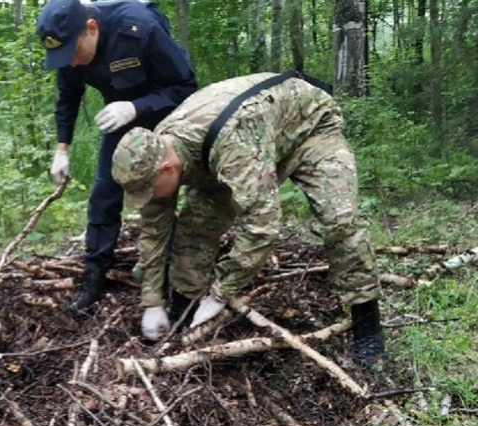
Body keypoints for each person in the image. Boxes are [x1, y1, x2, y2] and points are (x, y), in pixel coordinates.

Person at [111, 71, 385, 369]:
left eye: (147, 190)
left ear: (166, 169)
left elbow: (262, 227)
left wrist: (219, 294)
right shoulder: (159, 147)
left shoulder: (232, 142)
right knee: (194, 228)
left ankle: (366, 320)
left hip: (309, 128)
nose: (148, 197)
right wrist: (151, 300)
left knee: (339, 220)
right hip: (241, 145)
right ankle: (182, 312)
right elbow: (153, 228)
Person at [36, 0, 197, 313]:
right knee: (103, 194)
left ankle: (173, 276)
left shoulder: (140, 29)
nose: (69, 63)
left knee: (162, 194)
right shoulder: (69, 51)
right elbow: (67, 98)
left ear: (91, 28)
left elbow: (186, 87)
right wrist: (61, 149)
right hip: (118, 115)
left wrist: (137, 107)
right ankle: (94, 277)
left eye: (72, 53)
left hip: (168, 112)